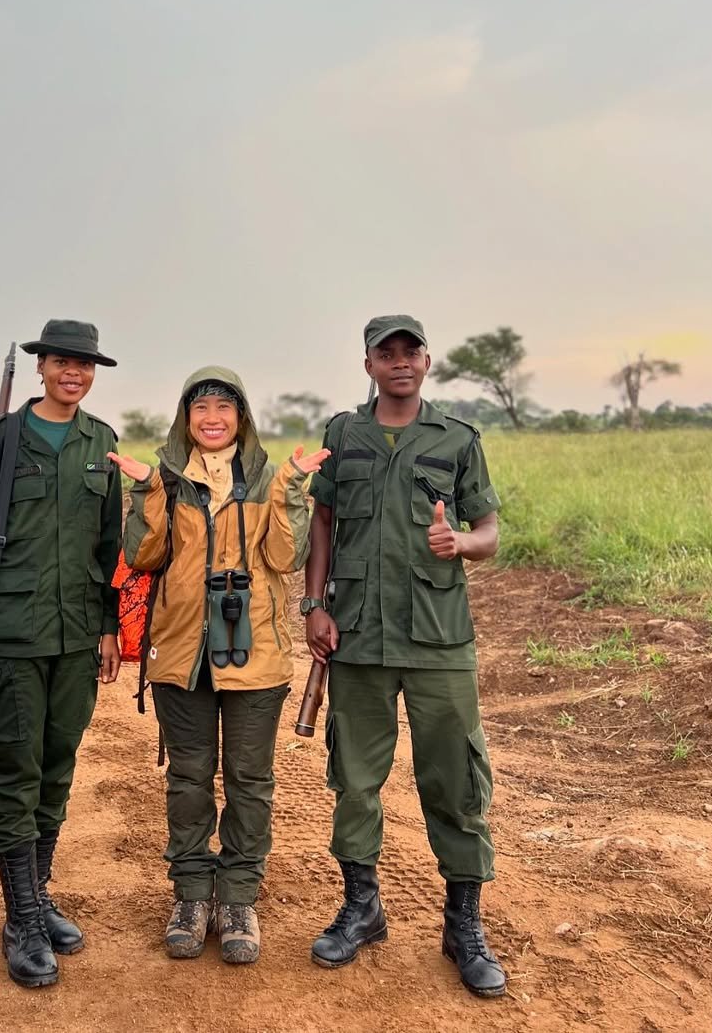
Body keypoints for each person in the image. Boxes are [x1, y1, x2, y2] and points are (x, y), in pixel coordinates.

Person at [302, 315, 507, 998]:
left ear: (426, 361)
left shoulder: (457, 438)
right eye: (385, 353)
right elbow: (323, 521)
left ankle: (463, 926)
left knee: (454, 780)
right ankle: (362, 909)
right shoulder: (343, 434)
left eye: (409, 352)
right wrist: (314, 604)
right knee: (355, 779)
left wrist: (462, 544)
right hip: (357, 633)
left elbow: (489, 530)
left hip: (438, 636)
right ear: (368, 364)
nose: (399, 362)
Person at [112, 367, 328, 966]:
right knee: (188, 779)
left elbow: (285, 557)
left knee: (249, 781)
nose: (212, 418)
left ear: (242, 417)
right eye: (201, 407)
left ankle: (237, 899)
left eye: (224, 407)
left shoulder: (265, 478)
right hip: (182, 653)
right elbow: (142, 555)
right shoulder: (167, 478)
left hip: (255, 655)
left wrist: (290, 490)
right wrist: (147, 493)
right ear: (185, 418)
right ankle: (189, 897)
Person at [0, 319, 122, 989]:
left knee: (58, 765)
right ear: (41, 367)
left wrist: (109, 626)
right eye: (62, 361)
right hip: (11, 632)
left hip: (77, 636)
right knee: (18, 767)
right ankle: (20, 919)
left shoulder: (103, 442)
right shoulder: (3, 437)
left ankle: (38, 897)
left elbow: (110, 547)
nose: (74, 373)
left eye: (85, 364)